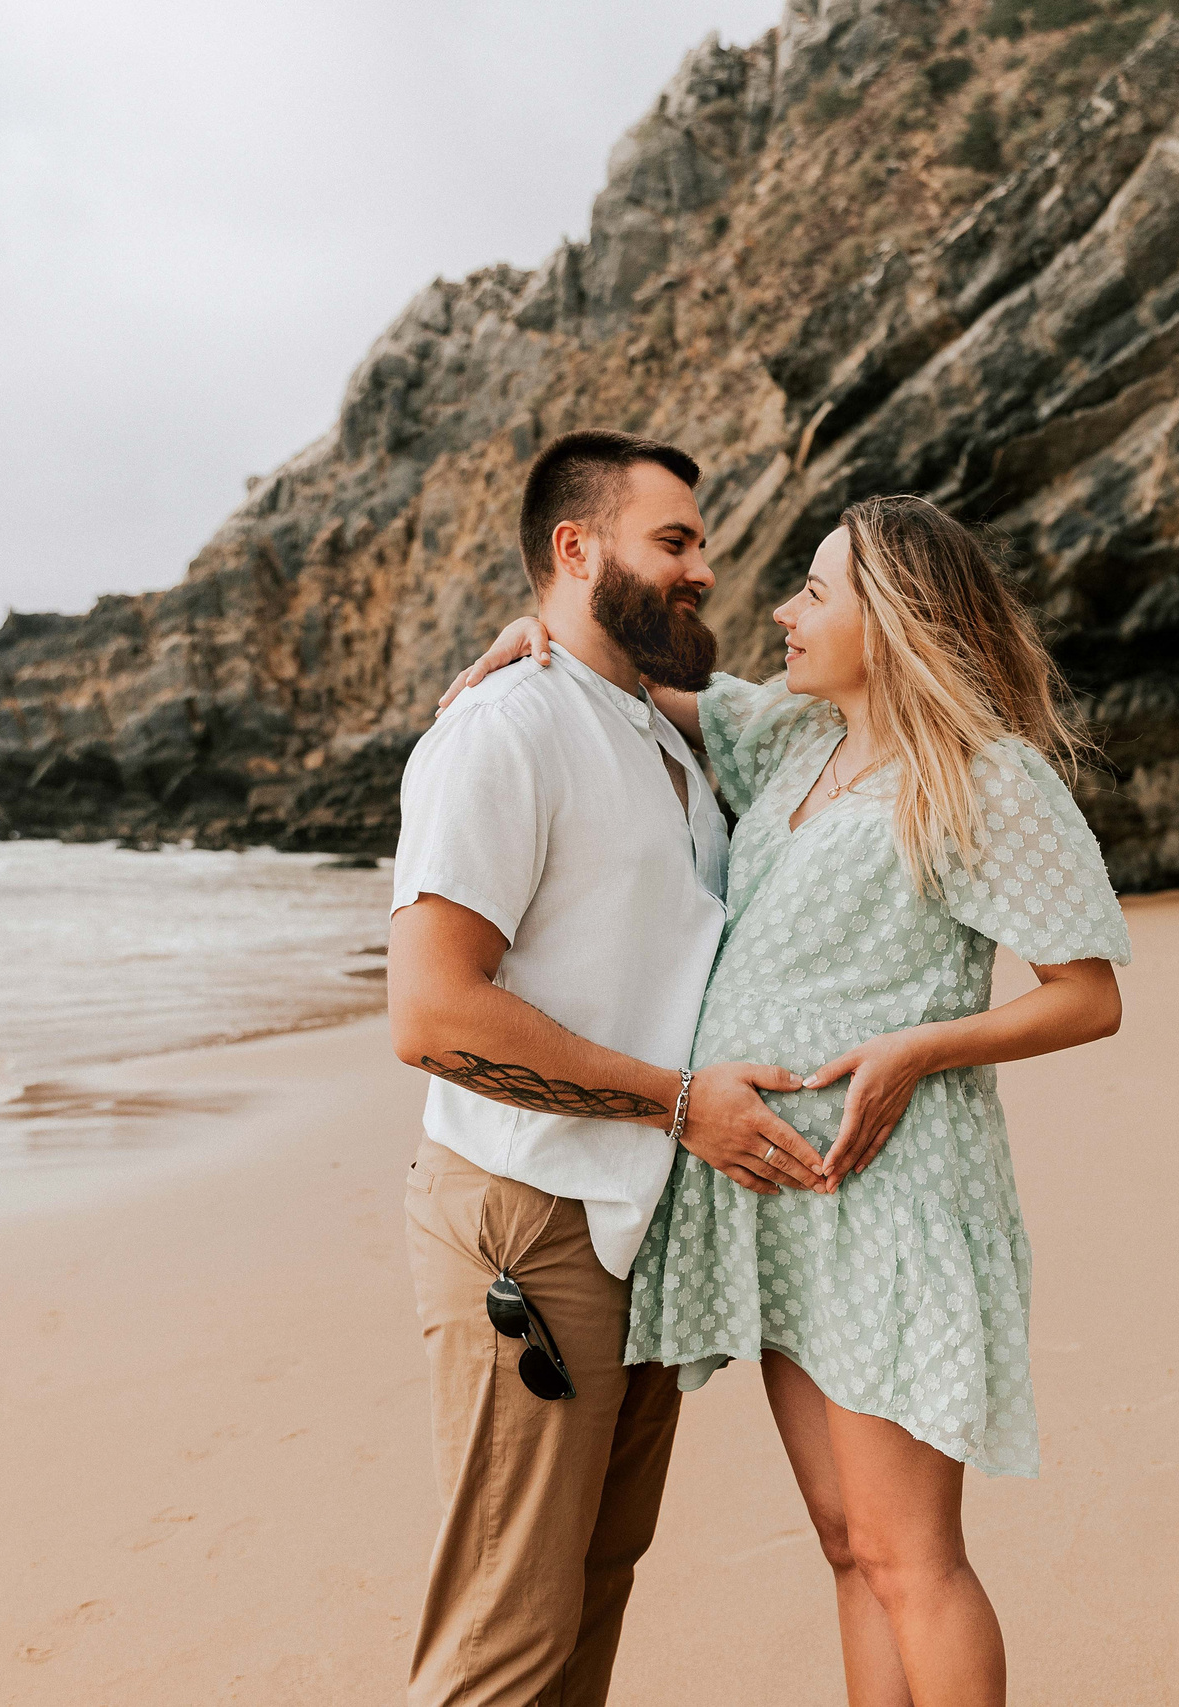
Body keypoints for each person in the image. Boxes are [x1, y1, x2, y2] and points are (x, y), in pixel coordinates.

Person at [441, 493, 1131, 1707]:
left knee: (913, 1557)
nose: (779, 609)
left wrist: (919, 1047)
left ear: (899, 619)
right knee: (846, 1543)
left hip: (890, 1199)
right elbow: (617, 689)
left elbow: (1084, 996)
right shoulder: (788, 740)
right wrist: (530, 637)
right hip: (776, 1198)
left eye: (815, 592)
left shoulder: (981, 777)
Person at [384, 428, 836, 1707]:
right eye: (675, 542)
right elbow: (431, 1014)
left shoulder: (671, 734)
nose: (704, 571)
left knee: (592, 1587)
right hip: (526, 1221)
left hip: (639, 1223)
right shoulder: (504, 730)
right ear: (576, 550)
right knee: (507, 1628)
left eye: (704, 545)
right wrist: (679, 1104)